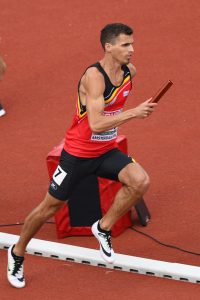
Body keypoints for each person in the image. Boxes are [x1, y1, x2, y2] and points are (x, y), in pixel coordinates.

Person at [7, 23, 157, 288]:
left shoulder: (129, 73)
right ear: (108, 47)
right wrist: (135, 112)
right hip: (77, 155)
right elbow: (97, 123)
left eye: (132, 44)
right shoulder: (94, 77)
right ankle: (17, 252)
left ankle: (103, 227)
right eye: (125, 45)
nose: (132, 50)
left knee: (140, 181)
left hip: (106, 151)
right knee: (49, 208)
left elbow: (111, 115)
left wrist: (126, 115)